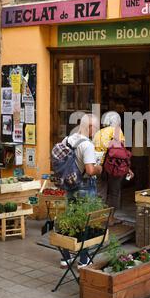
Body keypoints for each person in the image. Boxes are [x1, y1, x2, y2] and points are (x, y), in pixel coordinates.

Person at [60, 114, 103, 268]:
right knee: (86, 221)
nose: (96, 131)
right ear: (90, 127)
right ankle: (83, 260)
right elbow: (90, 170)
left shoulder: (68, 139)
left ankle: (65, 257)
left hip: (69, 183)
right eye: (96, 128)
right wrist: (99, 168)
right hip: (85, 185)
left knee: (69, 218)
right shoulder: (88, 145)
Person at [94, 111, 133, 214]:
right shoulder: (117, 131)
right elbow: (121, 153)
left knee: (100, 192)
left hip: (99, 166)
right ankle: (111, 219)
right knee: (114, 192)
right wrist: (128, 168)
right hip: (113, 166)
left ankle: (98, 218)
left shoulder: (98, 133)